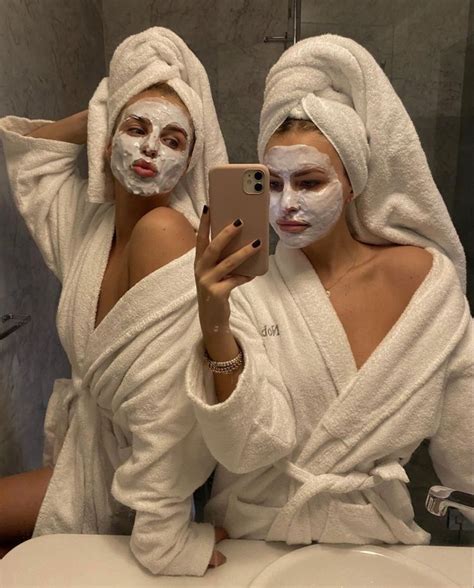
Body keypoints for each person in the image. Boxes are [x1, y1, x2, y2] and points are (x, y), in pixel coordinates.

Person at [188, 34, 473, 545]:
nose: (286, 205)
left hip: (372, 537)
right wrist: (214, 317)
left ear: (354, 181)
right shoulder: (250, 291)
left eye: (310, 182)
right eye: (272, 184)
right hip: (258, 532)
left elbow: (465, 453)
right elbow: (244, 450)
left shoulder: (428, 286)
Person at [0, 27, 228, 575]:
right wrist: (103, 108)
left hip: (137, 488)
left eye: (175, 140)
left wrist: (164, 537)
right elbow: (34, 165)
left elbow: (168, 416)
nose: (151, 147)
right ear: (107, 141)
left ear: (188, 163)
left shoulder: (165, 234)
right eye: (136, 127)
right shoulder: (92, 227)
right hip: (86, 459)